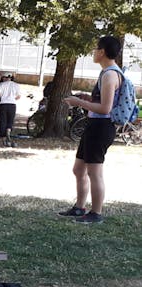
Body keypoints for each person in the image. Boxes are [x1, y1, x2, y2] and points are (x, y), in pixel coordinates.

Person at [61, 36, 123, 224]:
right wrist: (87, 98)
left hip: (101, 127)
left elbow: (105, 108)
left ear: (102, 51)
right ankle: (80, 208)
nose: (93, 52)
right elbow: (102, 102)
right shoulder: (107, 73)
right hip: (94, 126)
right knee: (79, 169)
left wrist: (79, 102)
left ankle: (96, 213)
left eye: (96, 49)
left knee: (94, 172)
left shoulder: (110, 74)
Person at [0, 72, 21, 147]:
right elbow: (18, 96)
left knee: (2, 120)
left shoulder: (1, 84)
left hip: (3, 104)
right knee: (10, 120)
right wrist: (12, 98)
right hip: (12, 104)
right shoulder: (16, 85)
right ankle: (8, 132)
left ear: (4, 78)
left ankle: (3, 138)